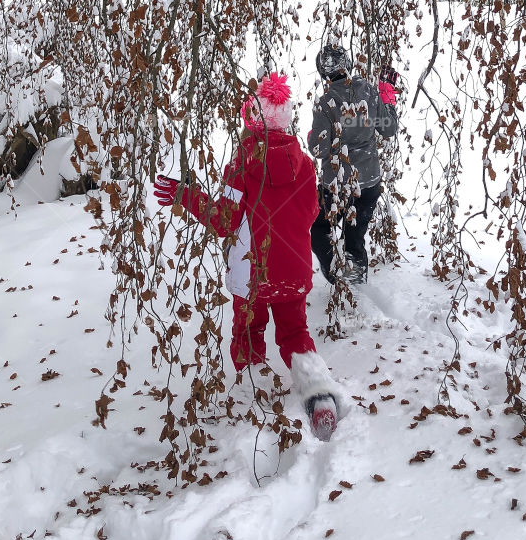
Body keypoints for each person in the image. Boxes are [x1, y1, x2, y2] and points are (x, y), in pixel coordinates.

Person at [153, 72, 342, 439]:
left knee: (249, 331)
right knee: (296, 333)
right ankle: (320, 397)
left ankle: (255, 404)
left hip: (252, 275)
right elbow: (311, 212)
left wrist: (187, 195)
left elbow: (224, 220)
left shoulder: (241, 165)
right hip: (294, 268)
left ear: (251, 122)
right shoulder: (304, 165)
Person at [307, 45, 399, 285]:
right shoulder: (368, 91)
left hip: (337, 185)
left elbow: (318, 149)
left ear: (324, 73)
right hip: (369, 183)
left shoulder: (325, 103)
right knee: (355, 237)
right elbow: (388, 128)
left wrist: (314, 134)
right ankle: (355, 288)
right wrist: (387, 97)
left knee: (319, 231)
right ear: (347, 65)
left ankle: (337, 279)